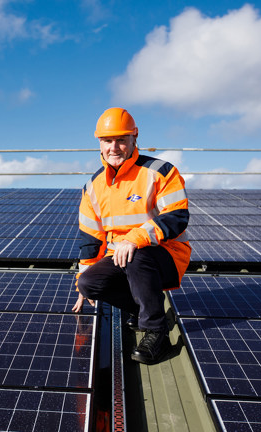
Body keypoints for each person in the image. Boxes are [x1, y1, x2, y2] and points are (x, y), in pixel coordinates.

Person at [72, 107, 191, 365]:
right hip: (123, 259)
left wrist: (135, 239)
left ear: (134, 139)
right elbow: (91, 239)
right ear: (99, 144)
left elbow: (177, 216)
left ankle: (157, 332)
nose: (114, 147)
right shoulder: (93, 187)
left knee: (135, 256)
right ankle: (139, 306)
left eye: (121, 140)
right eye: (107, 141)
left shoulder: (160, 171)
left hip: (165, 256)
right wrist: (82, 279)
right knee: (88, 282)